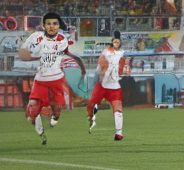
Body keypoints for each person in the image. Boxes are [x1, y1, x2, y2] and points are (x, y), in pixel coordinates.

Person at [18, 12, 83, 145]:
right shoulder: (35, 37)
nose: (51, 26)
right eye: (48, 24)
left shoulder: (62, 40)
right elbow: (23, 51)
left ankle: (55, 116)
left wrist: (34, 55)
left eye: (54, 24)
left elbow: (48, 54)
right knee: (34, 105)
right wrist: (24, 54)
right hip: (40, 79)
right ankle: (41, 133)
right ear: (44, 25)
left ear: (58, 26)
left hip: (56, 78)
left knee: (57, 107)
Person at [87, 30, 126, 140]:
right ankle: (91, 118)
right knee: (92, 105)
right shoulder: (109, 52)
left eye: (117, 41)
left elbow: (120, 69)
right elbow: (100, 66)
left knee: (116, 107)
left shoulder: (118, 53)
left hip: (111, 85)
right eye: (115, 41)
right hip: (105, 85)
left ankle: (118, 132)